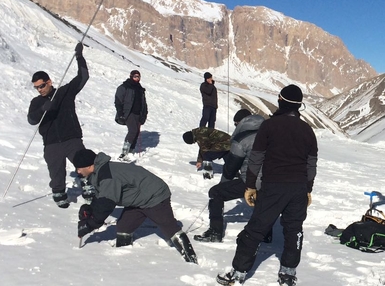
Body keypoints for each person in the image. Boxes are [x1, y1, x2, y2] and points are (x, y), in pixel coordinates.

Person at [217, 84, 318, 286]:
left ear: (281, 100)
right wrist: (308, 189)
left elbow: (256, 158)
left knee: (256, 229)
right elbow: (311, 164)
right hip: (298, 187)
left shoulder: (269, 126)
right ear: (299, 106)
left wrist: (251, 186)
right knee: (294, 230)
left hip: (273, 186)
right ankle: (288, 273)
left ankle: (239, 273)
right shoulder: (307, 130)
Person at [73, 149, 197, 264]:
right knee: (123, 228)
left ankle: (191, 260)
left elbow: (107, 204)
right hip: (137, 199)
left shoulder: (107, 175)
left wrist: (90, 224)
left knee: (168, 227)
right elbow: (102, 196)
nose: (78, 172)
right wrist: (90, 210)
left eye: (79, 168)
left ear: (89, 166)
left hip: (154, 196)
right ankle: (125, 262)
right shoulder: (99, 172)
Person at [27, 42, 89, 208]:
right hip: (51, 142)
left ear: (49, 82)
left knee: (84, 164)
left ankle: (89, 188)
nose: (39, 90)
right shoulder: (36, 102)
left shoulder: (64, 93)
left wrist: (79, 56)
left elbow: (83, 77)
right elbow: (32, 119)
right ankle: (59, 192)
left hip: (71, 138)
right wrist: (42, 109)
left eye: (41, 85)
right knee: (56, 172)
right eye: (36, 88)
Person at [194, 109, 267, 243]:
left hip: (251, 180)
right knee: (263, 200)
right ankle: (266, 234)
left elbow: (230, 169)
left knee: (215, 192)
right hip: (272, 181)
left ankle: (215, 232)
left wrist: (222, 186)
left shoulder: (242, 139)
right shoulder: (270, 134)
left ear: (241, 123)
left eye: (235, 124)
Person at [114, 70, 148, 161]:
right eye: (135, 76)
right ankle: (124, 152)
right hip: (128, 112)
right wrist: (120, 113)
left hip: (138, 113)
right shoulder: (124, 87)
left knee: (136, 132)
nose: (137, 78)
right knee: (133, 130)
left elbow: (143, 103)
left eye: (138, 77)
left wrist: (144, 114)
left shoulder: (140, 89)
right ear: (131, 76)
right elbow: (118, 100)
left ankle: (131, 151)